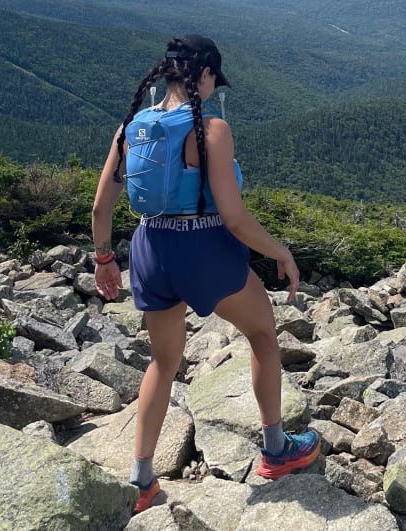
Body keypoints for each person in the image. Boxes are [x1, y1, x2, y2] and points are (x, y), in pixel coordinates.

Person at [90, 34, 320, 513]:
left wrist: (105, 260)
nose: (216, 87)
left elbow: (100, 207)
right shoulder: (210, 130)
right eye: (216, 78)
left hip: (149, 247)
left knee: (163, 362)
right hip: (203, 246)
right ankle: (277, 451)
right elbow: (234, 217)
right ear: (206, 74)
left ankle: (141, 481)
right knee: (261, 333)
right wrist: (282, 252)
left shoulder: (131, 126)